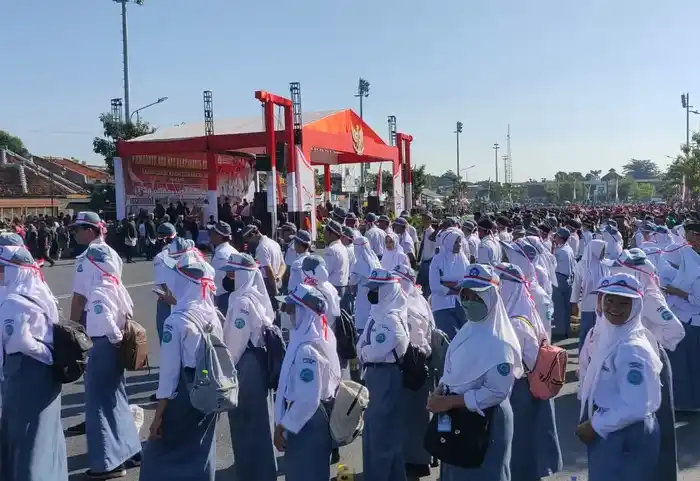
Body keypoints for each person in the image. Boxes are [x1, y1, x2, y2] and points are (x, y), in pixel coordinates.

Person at [427, 263, 522, 481]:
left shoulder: (501, 342)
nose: (469, 302)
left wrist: (452, 402)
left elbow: (496, 392)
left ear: (490, 299)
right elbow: (452, 370)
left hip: (485, 421)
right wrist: (440, 392)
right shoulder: (468, 330)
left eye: (476, 297)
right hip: (455, 415)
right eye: (465, 295)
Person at [139, 253, 221, 481]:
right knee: (201, 451)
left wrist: (158, 416)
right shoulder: (212, 313)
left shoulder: (176, 321)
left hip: (183, 394)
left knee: (159, 455)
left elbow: (168, 375)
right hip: (209, 388)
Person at [578, 274, 662, 481]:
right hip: (612, 426)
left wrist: (596, 425)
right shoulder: (612, 334)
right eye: (610, 300)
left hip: (623, 431)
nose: (614, 307)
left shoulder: (632, 349)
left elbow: (637, 406)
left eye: (624, 302)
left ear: (636, 307)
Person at [0, 245, 68, 481]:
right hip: (46, 373)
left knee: (25, 438)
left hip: (26, 371)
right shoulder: (40, 290)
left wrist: (46, 355)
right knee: (46, 434)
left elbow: (21, 342)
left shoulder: (13, 301)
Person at [495, 262, 562, 481]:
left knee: (520, 443)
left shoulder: (515, 323)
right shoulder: (525, 312)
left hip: (519, 387)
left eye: (499, 285)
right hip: (524, 386)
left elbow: (527, 361)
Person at [274, 284, 341, 481]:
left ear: (304, 312)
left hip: (307, 422)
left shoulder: (307, 350)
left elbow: (307, 400)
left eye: (290, 308)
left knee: (304, 473)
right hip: (310, 419)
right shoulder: (318, 335)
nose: (286, 312)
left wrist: (282, 427)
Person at [220, 253, 277, 481]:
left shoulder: (242, 302)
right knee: (261, 424)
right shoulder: (254, 296)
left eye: (232, 273)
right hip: (259, 362)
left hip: (247, 365)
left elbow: (234, 345)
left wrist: (224, 372)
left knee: (245, 424)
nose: (228, 277)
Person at [356, 268, 410, 481]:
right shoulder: (378, 313)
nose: (372, 293)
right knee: (379, 432)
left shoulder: (391, 319)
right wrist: (363, 351)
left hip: (385, 376)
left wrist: (363, 352)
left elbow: (374, 351)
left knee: (381, 435)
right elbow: (362, 346)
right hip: (376, 375)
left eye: (376, 289)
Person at [394, 264, 434, 479]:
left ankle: (413, 462)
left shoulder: (407, 306)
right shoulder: (420, 299)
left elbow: (413, 340)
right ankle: (422, 457)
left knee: (409, 416)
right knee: (419, 415)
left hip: (412, 364)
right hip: (423, 362)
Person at [429, 229, 469, 339]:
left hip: (460, 303)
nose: (459, 245)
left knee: (464, 336)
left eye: (460, 242)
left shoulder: (462, 259)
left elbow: (467, 280)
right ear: (448, 243)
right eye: (456, 242)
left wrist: (447, 284)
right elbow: (435, 286)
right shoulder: (437, 260)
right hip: (442, 305)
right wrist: (455, 289)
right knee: (449, 338)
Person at [571, 239, 609, 351]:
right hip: (587, 304)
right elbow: (576, 285)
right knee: (586, 332)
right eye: (602, 250)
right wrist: (574, 302)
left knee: (601, 332)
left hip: (603, 304)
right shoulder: (582, 265)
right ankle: (583, 358)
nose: (604, 253)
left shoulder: (605, 265)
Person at [350, 236, 381, 336]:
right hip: (375, 296)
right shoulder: (375, 259)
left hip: (363, 297)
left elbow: (352, 283)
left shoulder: (359, 263)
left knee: (362, 324)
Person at [209, 221, 237, 315]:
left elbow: (217, 279)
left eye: (212, 233)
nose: (210, 236)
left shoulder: (222, 254)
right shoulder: (232, 250)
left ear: (219, 236)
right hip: (228, 296)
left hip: (223, 298)